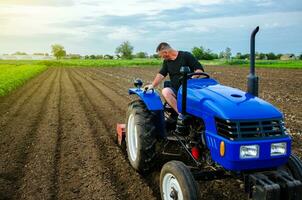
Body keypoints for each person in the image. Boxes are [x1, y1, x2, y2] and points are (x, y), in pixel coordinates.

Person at [144, 42, 204, 114]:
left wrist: (190, 79)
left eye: (161, 56)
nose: (161, 58)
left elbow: (199, 69)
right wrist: (152, 85)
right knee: (165, 91)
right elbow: (161, 74)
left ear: (166, 52)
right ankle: (180, 114)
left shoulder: (186, 56)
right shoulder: (167, 61)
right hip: (175, 89)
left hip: (189, 89)